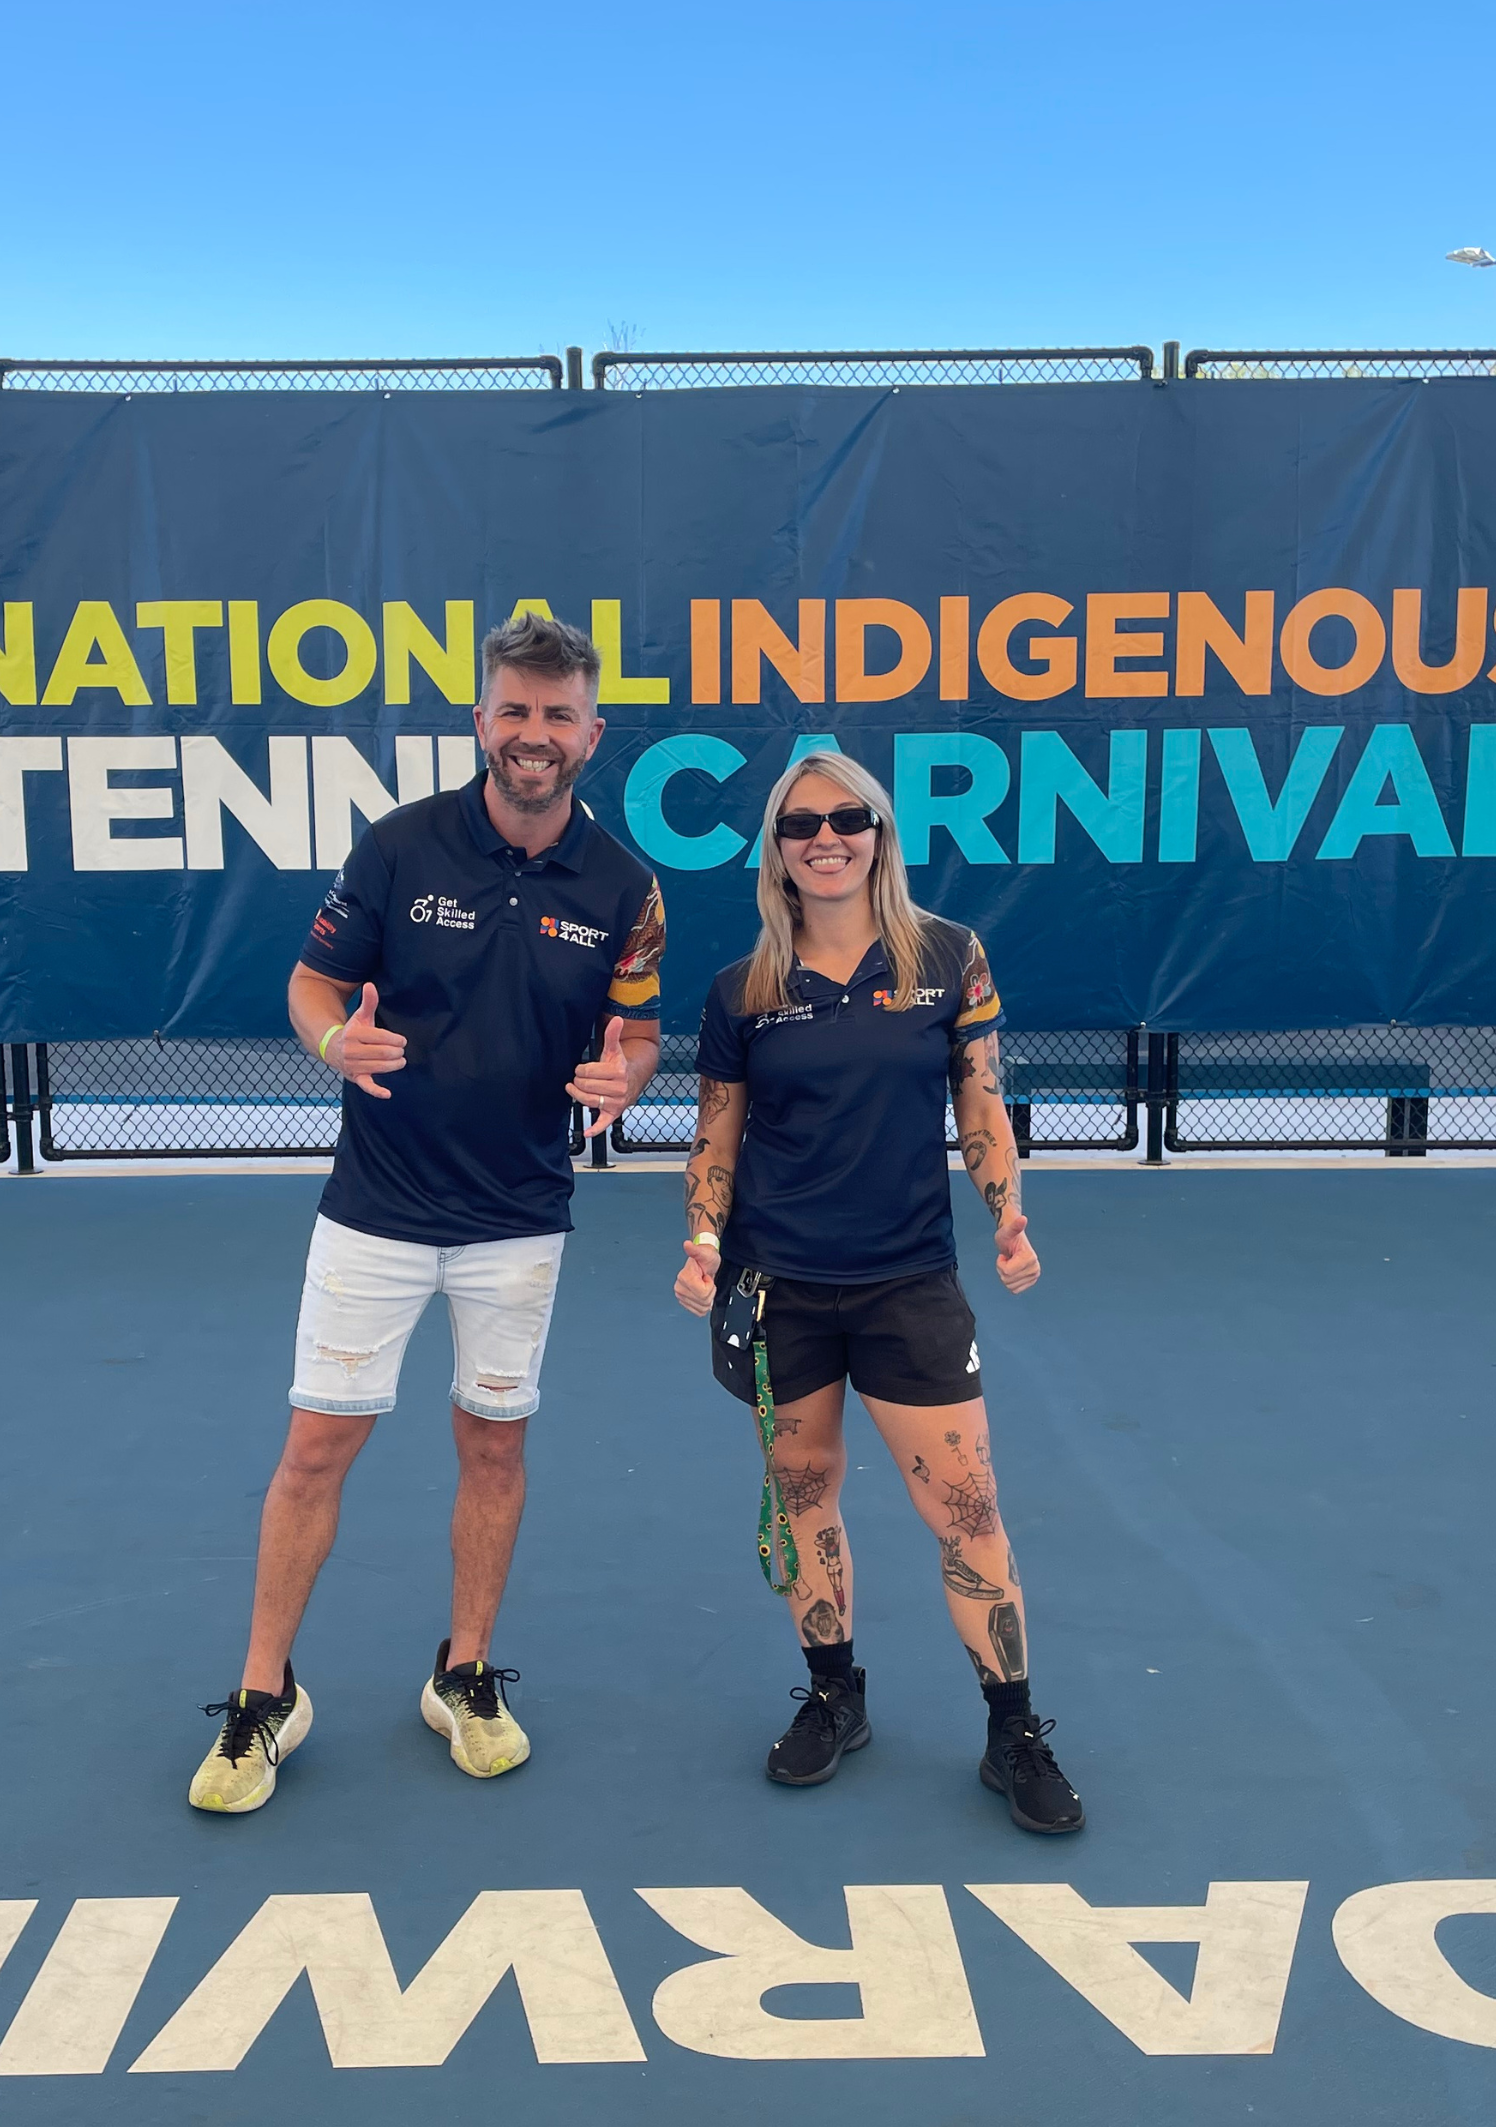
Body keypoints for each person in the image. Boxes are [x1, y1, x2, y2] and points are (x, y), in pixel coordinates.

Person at [188, 611, 665, 1814]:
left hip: (519, 1217)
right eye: (514, 711)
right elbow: (311, 984)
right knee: (315, 1448)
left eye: (557, 715)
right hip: (376, 1210)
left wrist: (629, 1075)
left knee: (493, 1443)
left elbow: (642, 1028)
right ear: (481, 722)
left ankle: (463, 1674)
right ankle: (262, 1695)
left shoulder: (624, 886)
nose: (534, 735)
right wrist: (328, 1039)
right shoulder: (398, 848)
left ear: (591, 734)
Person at [672, 749, 1083, 1833]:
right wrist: (703, 1238)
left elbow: (980, 1101)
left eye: (848, 818)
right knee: (801, 1496)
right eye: (802, 823)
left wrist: (1007, 1213)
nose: (827, 836)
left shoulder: (950, 957)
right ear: (776, 849)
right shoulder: (743, 989)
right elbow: (716, 1130)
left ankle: (1012, 1727)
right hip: (779, 1292)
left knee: (966, 1511)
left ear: (879, 834)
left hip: (910, 1287)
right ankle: (833, 1694)